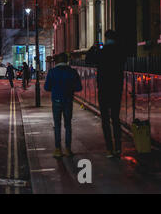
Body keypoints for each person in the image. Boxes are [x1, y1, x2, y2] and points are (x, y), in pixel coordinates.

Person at [86, 30, 126, 158]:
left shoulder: (102, 52)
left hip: (104, 88)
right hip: (116, 88)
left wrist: (93, 47)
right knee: (115, 118)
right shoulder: (120, 51)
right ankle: (118, 147)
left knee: (105, 119)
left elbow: (88, 61)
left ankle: (109, 148)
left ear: (106, 38)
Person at [44, 53, 82, 158]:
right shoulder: (72, 72)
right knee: (68, 125)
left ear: (56, 61)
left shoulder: (52, 72)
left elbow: (47, 87)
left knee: (57, 125)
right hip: (68, 100)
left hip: (56, 100)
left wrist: (55, 88)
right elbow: (79, 88)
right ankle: (68, 149)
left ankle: (57, 149)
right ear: (66, 61)